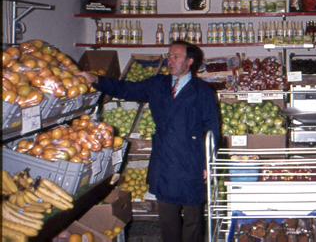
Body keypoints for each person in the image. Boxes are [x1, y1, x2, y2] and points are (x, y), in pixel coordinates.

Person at [76, 40, 220, 242]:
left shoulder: (203, 91)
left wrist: (208, 161)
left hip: (192, 158)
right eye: (169, 56)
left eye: (175, 56)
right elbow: (125, 89)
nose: (170, 60)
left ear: (189, 61)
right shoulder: (157, 84)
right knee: (167, 216)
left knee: (193, 217)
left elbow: (212, 128)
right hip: (164, 157)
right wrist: (96, 79)